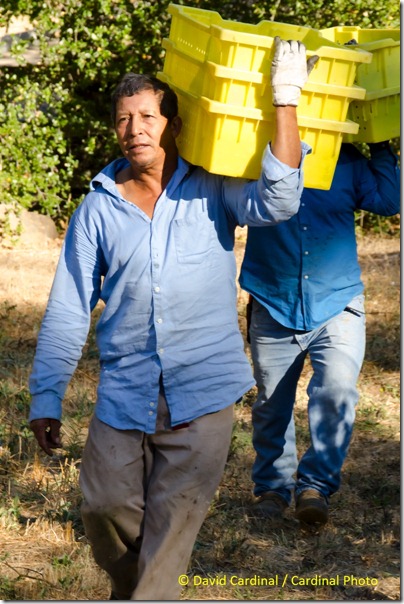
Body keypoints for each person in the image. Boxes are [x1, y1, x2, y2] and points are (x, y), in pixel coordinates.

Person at [28, 38, 317, 600]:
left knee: (170, 539)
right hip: (125, 389)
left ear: (173, 125)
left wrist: (286, 98)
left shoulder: (212, 186)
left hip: (202, 392)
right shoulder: (98, 208)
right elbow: (69, 306)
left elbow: (280, 201)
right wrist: (46, 396)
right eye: (123, 119)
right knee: (103, 507)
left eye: (147, 117)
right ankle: (134, 587)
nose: (135, 128)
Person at [240, 139, 400, 526]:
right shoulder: (254, 156)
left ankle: (315, 487)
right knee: (271, 403)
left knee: (337, 391)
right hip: (273, 297)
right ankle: (273, 489)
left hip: (337, 300)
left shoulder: (349, 161)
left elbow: (389, 201)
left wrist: (379, 140)